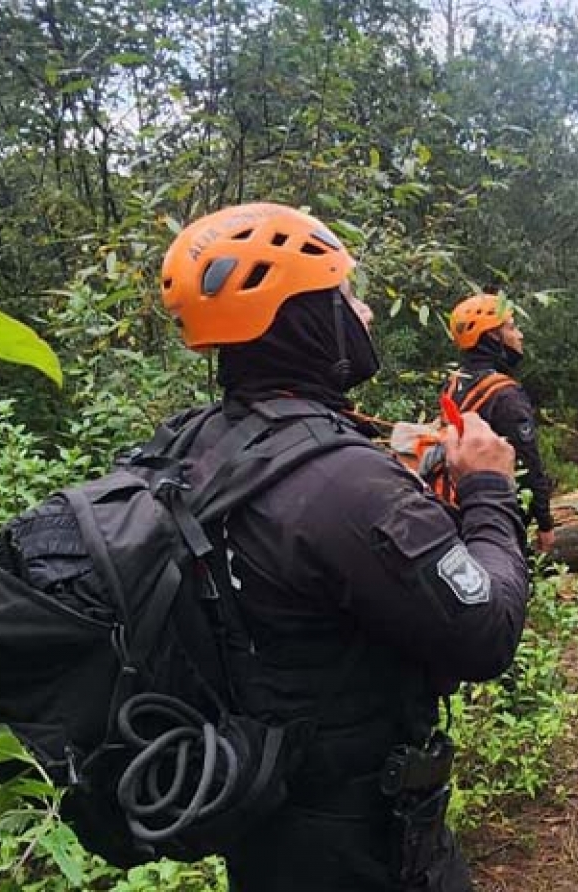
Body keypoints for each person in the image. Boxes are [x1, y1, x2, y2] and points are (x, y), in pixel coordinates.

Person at [159, 202, 531, 891]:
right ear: (303, 317)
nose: (363, 312)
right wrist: (487, 488)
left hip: (261, 821)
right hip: (364, 843)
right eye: (346, 295)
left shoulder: (192, 444)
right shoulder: (349, 487)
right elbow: (488, 634)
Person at [444, 294, 555, 554]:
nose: (520, 336)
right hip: (499, 517)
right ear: (493, 336)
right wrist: (545, 523)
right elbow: (528, 463)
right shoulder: (505, 395)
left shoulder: (453, 384)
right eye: (512, 327)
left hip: (459, 510)